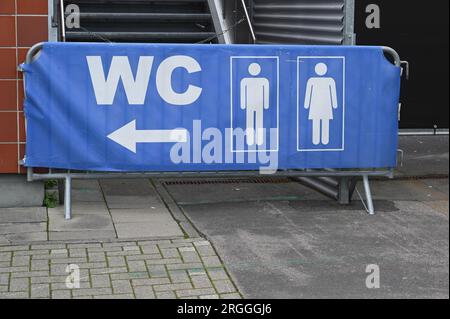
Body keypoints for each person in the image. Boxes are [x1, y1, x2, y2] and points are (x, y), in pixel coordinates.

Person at [304, 63, 338, 145]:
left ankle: (319, 140)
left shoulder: (313, 80)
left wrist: (306, 104)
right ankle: (321, 140)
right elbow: (308, 92)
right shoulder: (328, 80)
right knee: (321, 121)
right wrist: (334, 104)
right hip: (323, 105)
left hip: (320, 105)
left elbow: (333, 93)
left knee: (320, 121)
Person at [240, 63, 270, 146]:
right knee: (250, 122)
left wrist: (266, 105)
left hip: (258, 106)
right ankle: (250, 140)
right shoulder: (245, 81)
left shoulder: (264, 81)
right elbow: (243, 93)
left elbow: (266, 93)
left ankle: (259, 140)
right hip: (249, 105)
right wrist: (243, 104)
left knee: (258, 122)